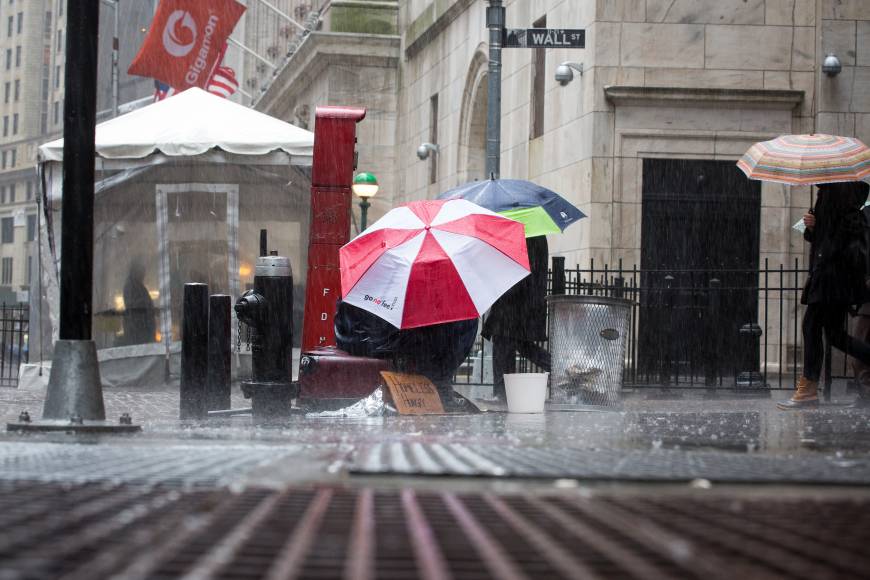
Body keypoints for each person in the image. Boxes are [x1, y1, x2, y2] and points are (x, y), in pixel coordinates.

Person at [779, 181, 870, 409]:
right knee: (834, 334)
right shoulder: (839, 193)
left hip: (830, 276)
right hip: (837, 277)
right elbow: (828, 234)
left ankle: (808, 388)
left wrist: (819, 242)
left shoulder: (835, 193)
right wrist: (812, 227)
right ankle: (808, 388)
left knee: (811, 326)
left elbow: (832, 239)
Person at [482, 235, 551, 401]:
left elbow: (519, 272)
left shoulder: (525, 236)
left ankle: (501, 392)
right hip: (521, 305)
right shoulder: (534, 236)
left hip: (514, 305)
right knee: (521, 345)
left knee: (504, 344)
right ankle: (561, 371)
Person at [120, 259, 156, 346]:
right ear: (135, 271)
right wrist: (145, 303)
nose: (144, 274)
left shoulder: (139, 286)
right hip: (137, 331)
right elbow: (130, 305)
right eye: (141, 271)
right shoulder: (130, 286)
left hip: (143, 330)